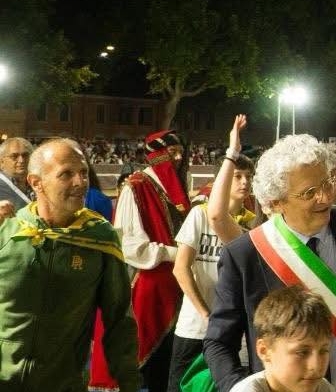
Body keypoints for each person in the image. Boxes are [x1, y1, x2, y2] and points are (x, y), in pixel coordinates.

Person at [204, 134, 336, 392]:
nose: (325, 198)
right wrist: (243, 388)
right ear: (276, 202)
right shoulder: (245, 254)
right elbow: (218, 343)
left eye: (326, 183)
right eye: (309, 193)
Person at [0, 138, 139, 391]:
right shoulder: (7, 231)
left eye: (83, 172)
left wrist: (129, 382)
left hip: (63, 384)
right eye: (66, 174)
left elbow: (119, 320)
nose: (80, 182)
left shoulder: (99, 238)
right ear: (36, 182)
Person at [91, 129, 193, 392]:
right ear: (157, 155)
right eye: (172, 152)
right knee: (145, 362)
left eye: (181, 152)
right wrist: (174, 254)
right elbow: (130, 245)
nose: (178, 158)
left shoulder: (177, 189)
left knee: (169, 363)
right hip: (149, 288)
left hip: (179, 285)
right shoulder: (135, 187)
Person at [168, 115, 258, 392]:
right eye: (237, 176)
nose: (244, 182)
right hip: (194, 326)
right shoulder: (200, 214)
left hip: (229, 332)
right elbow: (180, 268)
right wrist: (205, 314)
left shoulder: (252, 224)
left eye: (248, 177)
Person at [231, 285, 336, 392]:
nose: (316, 366)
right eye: (302, 352)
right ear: (264, 351)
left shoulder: (323, 388)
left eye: (324, 351)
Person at [0, 136, 34, 222]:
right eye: (14, 156)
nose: (21, 160)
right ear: (1, 162)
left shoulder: (39, 183)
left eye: (25, 155)